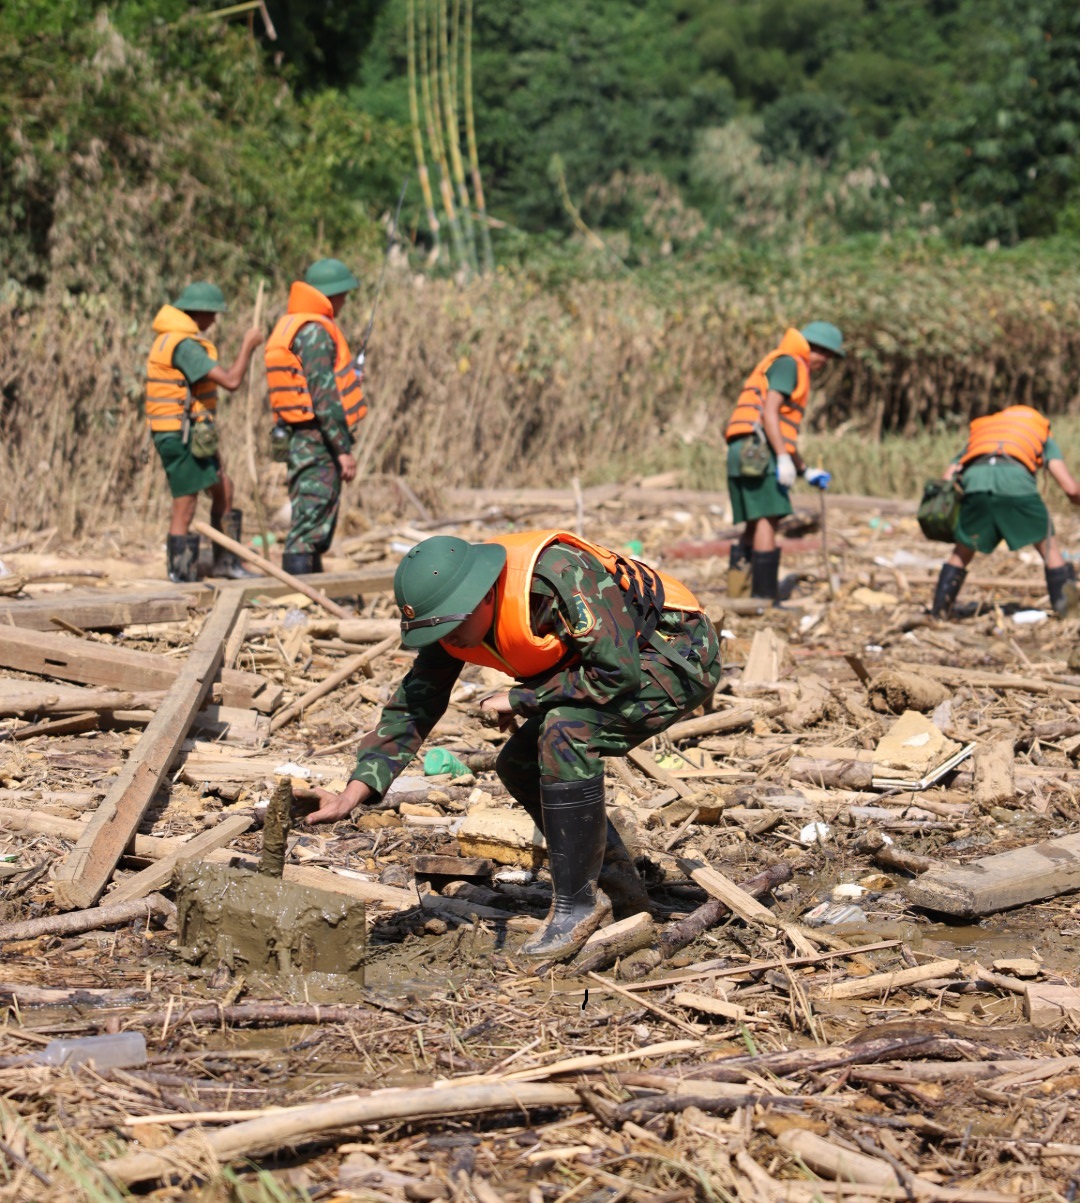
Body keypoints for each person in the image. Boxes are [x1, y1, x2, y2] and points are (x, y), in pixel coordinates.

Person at [304, 530, 722, 961]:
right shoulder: (454, 619)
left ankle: (576, 905)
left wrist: (525, 697)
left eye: (453, 626)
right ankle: (621, 894)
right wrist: (356, 790)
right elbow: (416, 703)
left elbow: (617, 673)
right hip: (607, 662)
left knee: (565, 732)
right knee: (519, 762)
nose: (451, 640)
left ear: (484, 595)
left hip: (674, 655)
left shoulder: (559, 575)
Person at [145, 282, 264, 583]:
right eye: (212, 314)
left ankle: (227, 563)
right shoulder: (183, 346)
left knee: (224, 488)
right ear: (197, 313)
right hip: (180, 435)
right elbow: (231, 380)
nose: (214, 321)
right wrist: (248, 346)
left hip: (194, 435)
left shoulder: (179, 340)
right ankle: (180, 577)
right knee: (184, 507)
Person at [723, 322, 843, 600]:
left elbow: (783, 431)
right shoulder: (790, 363)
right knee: (767, 520)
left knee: (754, 523)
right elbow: (770, 413)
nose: (825, 361)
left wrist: (804, 469)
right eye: (822, 353)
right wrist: (780, 456)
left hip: (746, 449)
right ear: (810, 347)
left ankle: (739, 596)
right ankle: (764, 599)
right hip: (759, 452)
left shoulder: (785, 362)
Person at [264, 258, 367, 576]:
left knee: (313, 514)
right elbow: (324, 399)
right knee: (310, 519)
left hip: (302, 435)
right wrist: (342, 450)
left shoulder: (297, 326)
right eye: (343, 294)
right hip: (316, 439)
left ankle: (312, 588)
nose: (346, 301)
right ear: (330, 295)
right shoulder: (315, 333)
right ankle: (300, 596)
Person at [931, 404, 1079, 619]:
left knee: (963, 551)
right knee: (1049, 548)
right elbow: (1071, 488)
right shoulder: (1038, 431)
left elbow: (947, 478)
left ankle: (939, 613)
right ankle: (1069, 615)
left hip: (976, 483)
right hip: (1016, 483)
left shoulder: (985, 431)